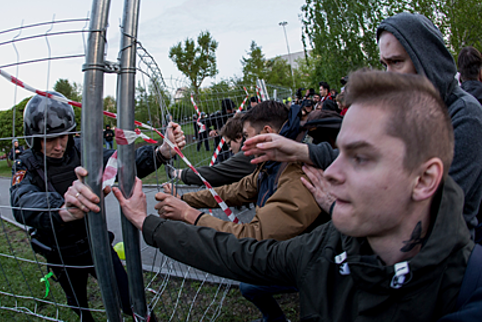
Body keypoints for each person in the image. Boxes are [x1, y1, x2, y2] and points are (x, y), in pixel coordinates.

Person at [72, 70, 477, 321]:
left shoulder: (469, 293)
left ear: (424, 180)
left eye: (360, 158)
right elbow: (240, 250)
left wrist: (185, 213)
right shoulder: (325, 250)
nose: (331, 171)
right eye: (337, 152)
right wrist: (150, 223)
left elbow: (250, 238)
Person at [244, 12, 482, 242]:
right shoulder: (409, 110)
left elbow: (429, 213)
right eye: (384, 64)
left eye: (397, 62)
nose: (389, 75)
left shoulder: (465, 116)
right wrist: (299, 151)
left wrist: (338, 206)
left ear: (426, 60)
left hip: (435, 263)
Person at [10, 92, 185, 321]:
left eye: (63, 136)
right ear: (33, 138)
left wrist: (160, 153)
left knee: (132, 300)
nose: (59, 146)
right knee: (79, 307)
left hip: (97, 243)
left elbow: (120, 163)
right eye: (49, 139)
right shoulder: (26, 165)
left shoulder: (82, 150)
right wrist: (61, 208)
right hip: (60, 253)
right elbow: (21, 200)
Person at [160, 101, 328, 322]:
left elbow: (255, 238)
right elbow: (236, 190)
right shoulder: (273, 163)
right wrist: (184, 199)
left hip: (316, 263)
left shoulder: (298, 174)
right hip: (298, 251)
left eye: (246, 136)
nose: (242, 144)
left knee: (250, 285)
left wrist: (188, 214)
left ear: (267, 132)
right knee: (250, 286)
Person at [174, 114, 256, 187]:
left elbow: (215, 173)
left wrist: (181, 174)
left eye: (229, 144)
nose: (230, 149)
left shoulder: (249, 155)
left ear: (239, 137)